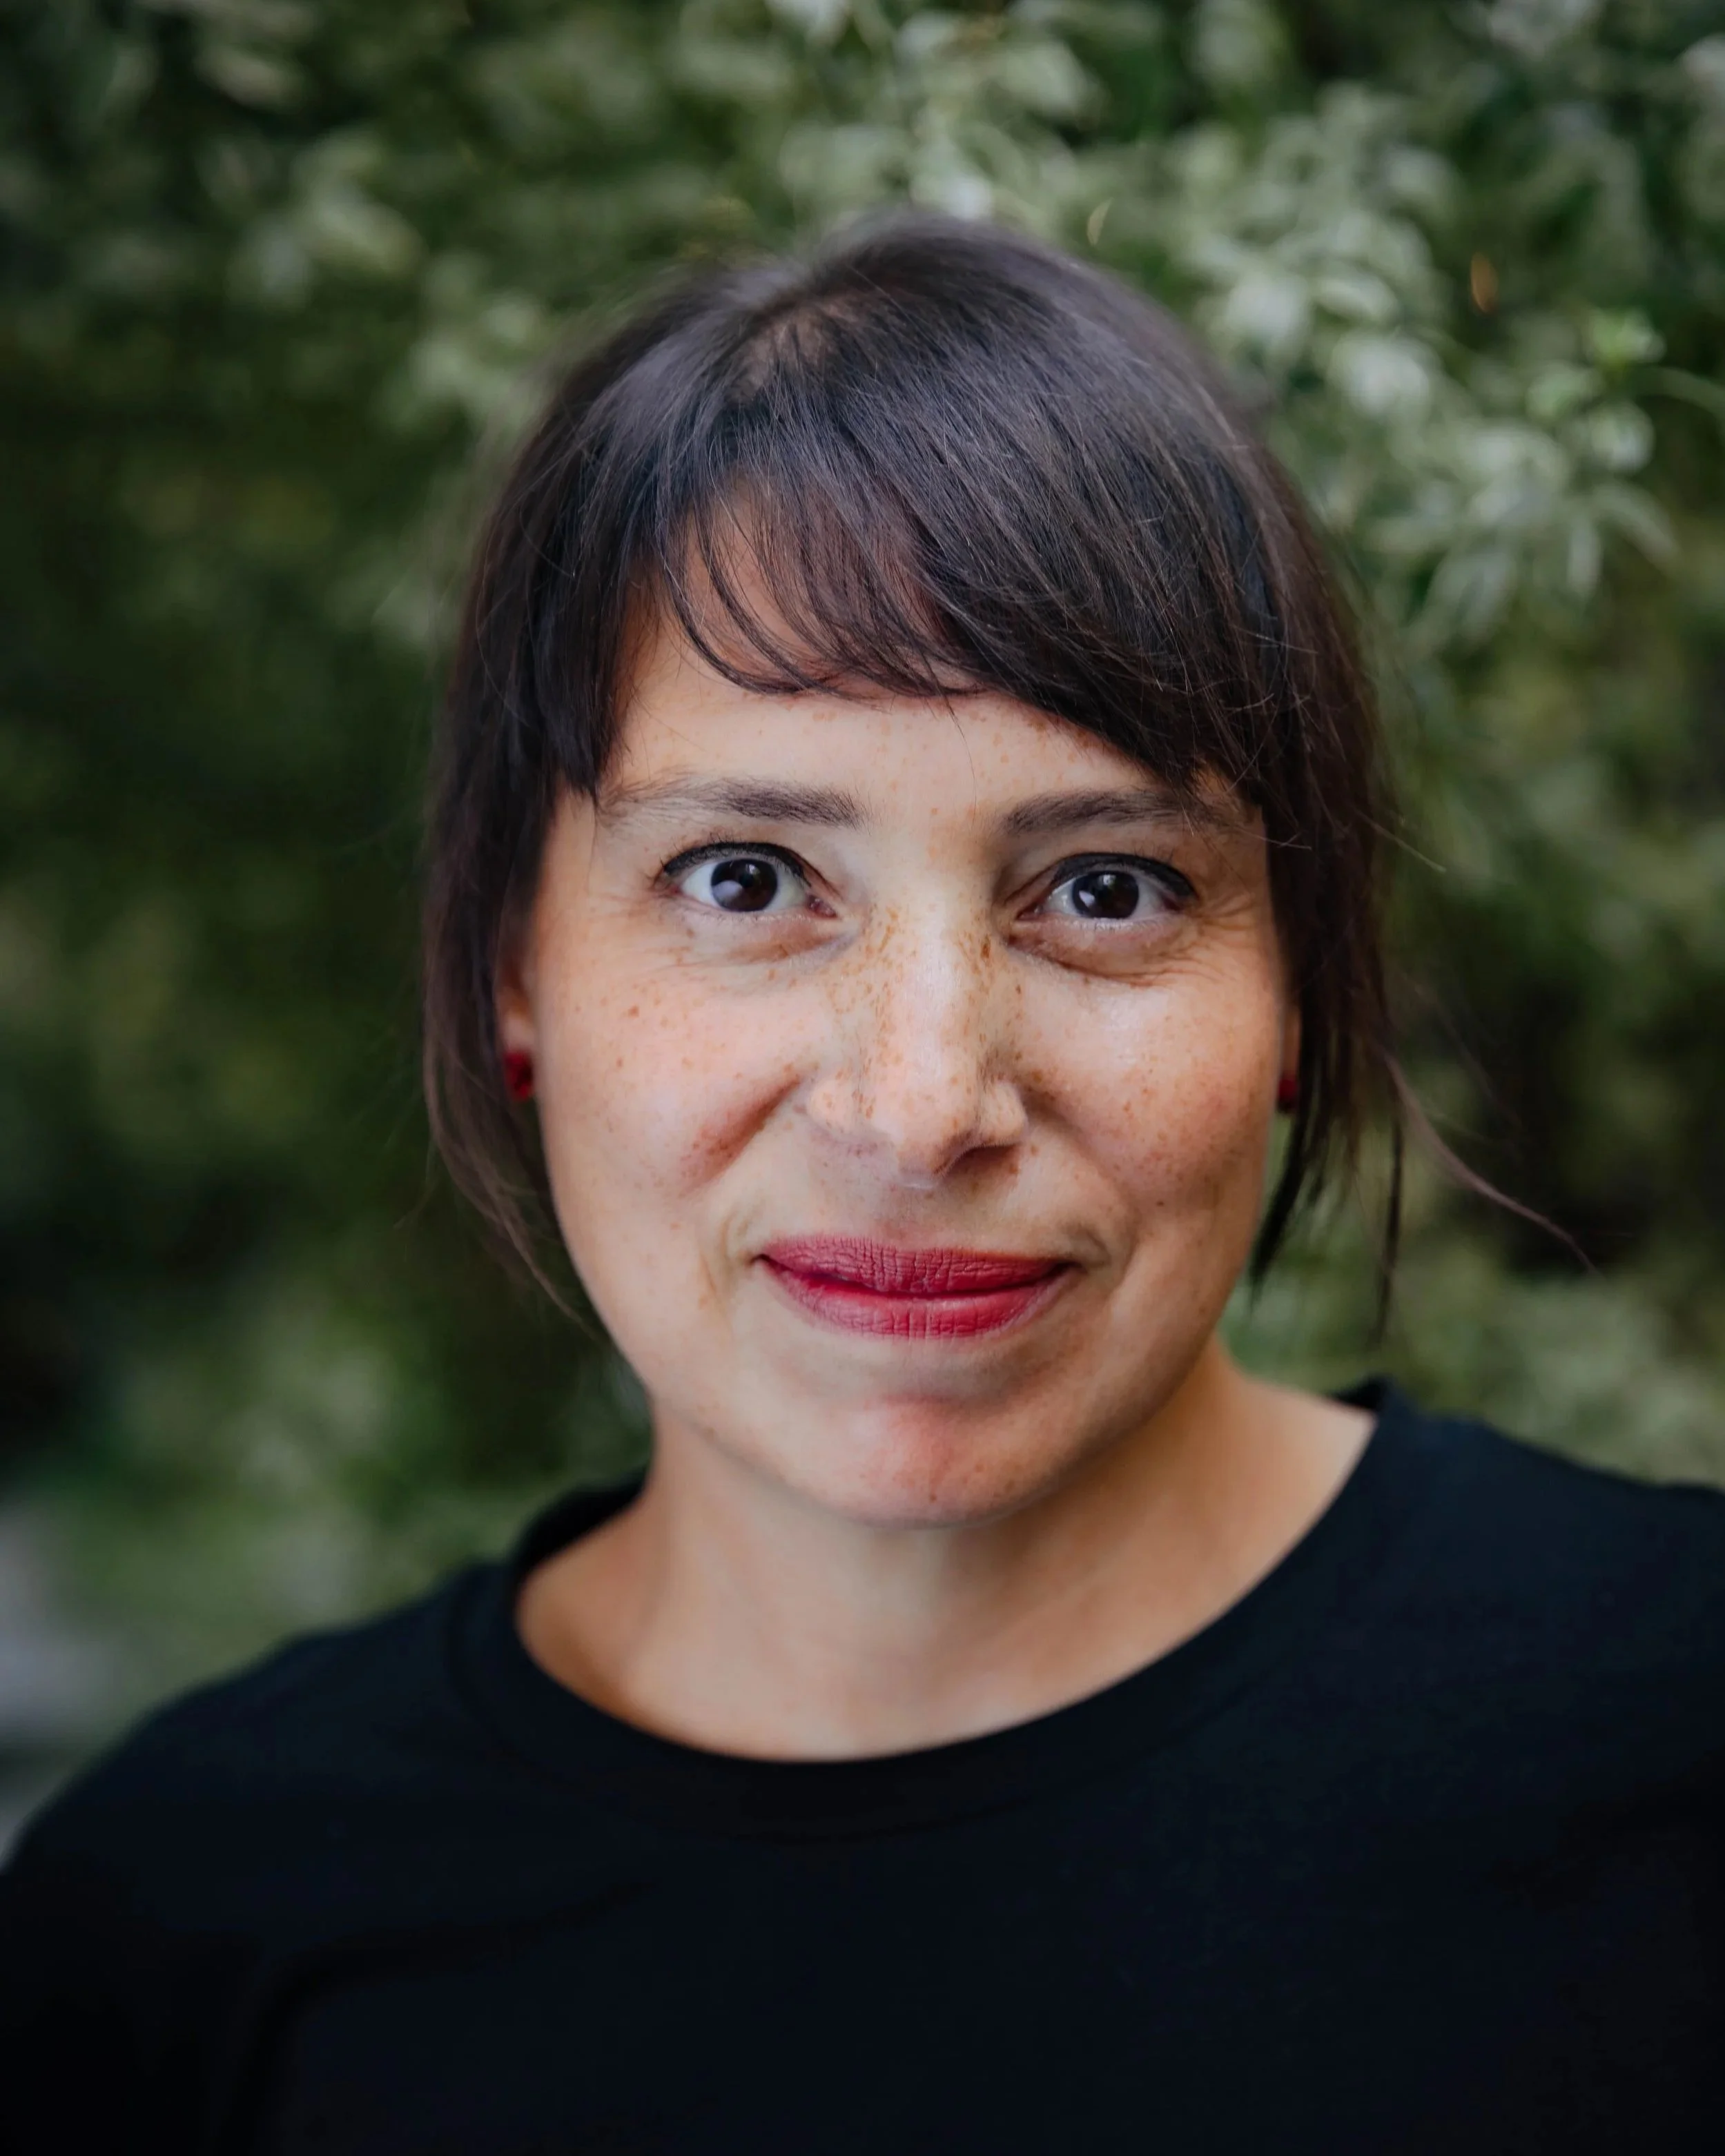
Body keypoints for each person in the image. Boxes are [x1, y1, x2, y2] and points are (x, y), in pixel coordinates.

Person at [3, 215, 1722, 2156]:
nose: (921, 1106)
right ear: (516, 978)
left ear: (1303, 992)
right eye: (745, 877)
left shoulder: (1680, 1742)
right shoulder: (173, 1939)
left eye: (1106, 887)